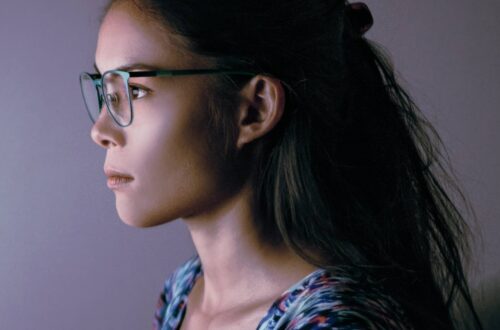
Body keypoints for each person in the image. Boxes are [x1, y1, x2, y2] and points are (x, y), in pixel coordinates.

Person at [79, 0, 484, 329]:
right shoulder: (183, 294)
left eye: (135, 90)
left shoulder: (339, 323)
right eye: (105, 91)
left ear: (254, 109)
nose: (101, 130)